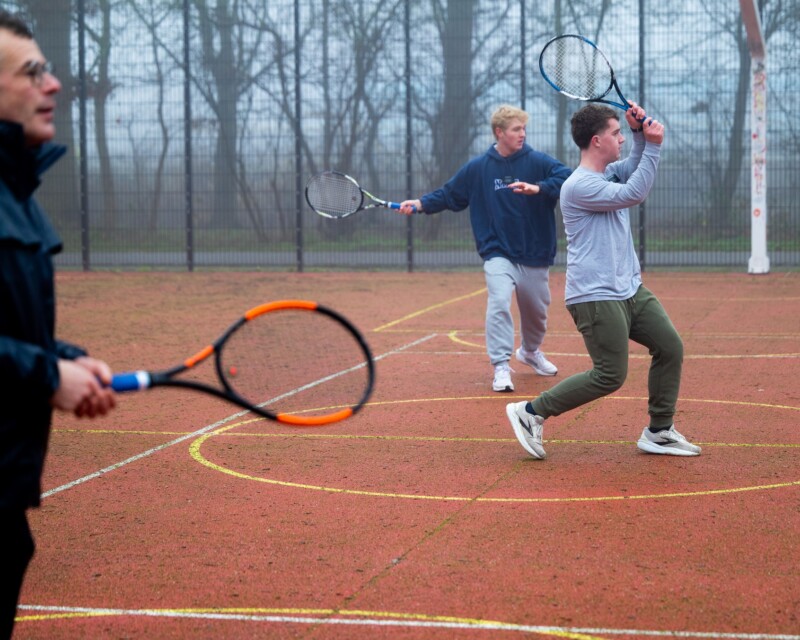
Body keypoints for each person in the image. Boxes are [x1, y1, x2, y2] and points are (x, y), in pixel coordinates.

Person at [0, 11, 116, 638]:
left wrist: (63, 358)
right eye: (31, 72)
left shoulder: (15, 193)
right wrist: (47, 374)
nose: (53, 84)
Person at [505, 102, 701, 459]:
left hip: (629, 289)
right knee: (610, 375)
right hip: (595, 296)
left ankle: (659, 431)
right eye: (616, 133)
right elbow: (634, 192)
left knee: (670, 346)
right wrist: (654, 144)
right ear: (596, 141)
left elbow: (633, 168)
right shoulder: (578, 186)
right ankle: (531, 412)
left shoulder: (607, 173)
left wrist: (639, 134)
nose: (621, 139)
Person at [399, 105, 571, 392]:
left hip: (535, 252)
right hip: (497, 252)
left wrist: (539, 188)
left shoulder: (539, 161)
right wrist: (420, 204)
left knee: (537, 314)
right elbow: (449, 194)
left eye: (524, 128)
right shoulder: (478, 168)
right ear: (499, 132)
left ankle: (530, 351)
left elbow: (568, 178)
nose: (522, 134)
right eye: (516, 129)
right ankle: (501, 366)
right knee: (499, 302)